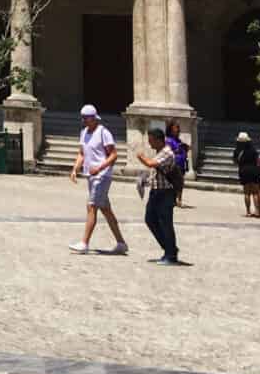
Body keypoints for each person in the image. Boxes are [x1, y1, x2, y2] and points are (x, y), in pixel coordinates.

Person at [67, 104, 129, 255]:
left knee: (91, 206)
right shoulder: (84, 133)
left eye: (87, 118)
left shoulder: (103, 132)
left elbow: (113, 155)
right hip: (91, 175)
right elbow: (82, 153)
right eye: (83, 118)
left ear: (94, 118)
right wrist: (75, 169)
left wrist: (100, 168)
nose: (85, 121)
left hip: (102, 176)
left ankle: (84, 243)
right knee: (105, 209)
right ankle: (121, 243)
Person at [136, 126, 183, 264]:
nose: (149, 144)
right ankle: (170, 248)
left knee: (165, 223)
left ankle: (171, 254)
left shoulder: (167, 152)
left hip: (166, 193)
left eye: (151, 140)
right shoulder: (159, 152)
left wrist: (140, 156)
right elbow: (156, 172)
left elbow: (151, 164)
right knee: (150, 219)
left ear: (158, 140)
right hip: (156, 192)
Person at [232, 131, 260, 217]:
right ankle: (257, 211)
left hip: (243, 171)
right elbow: (257, 161)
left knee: (246, 193)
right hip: (253, 170)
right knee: (255, 192)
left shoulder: (237, 151)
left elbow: (235, 162)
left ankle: (248, 211)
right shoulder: (253, 150)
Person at [165, 121, 190, 207]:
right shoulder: (169, 140)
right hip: (174, 165)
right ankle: (175, 200)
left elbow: (182, 149)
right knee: (176, 182)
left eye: (178, 128)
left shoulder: (178, 140)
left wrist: (186, 148)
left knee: (180, 183)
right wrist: (177, 150)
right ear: (171, 130)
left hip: (181, 164)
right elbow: (167, 152)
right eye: (176, 128)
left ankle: (177, 200)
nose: (178, 130)